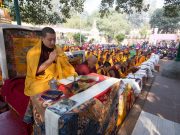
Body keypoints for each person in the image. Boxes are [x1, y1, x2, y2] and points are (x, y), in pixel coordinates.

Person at [24, 27, 76, 96]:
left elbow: (65, 65)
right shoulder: (33, 52)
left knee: (73, 77)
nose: (53, 42)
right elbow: (35, 71)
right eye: (50, 40)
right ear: (42, 38)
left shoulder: (57, 48)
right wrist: (50, 60)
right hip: (40, 79)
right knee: (36, 88)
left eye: (54, 39)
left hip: (57, 75)